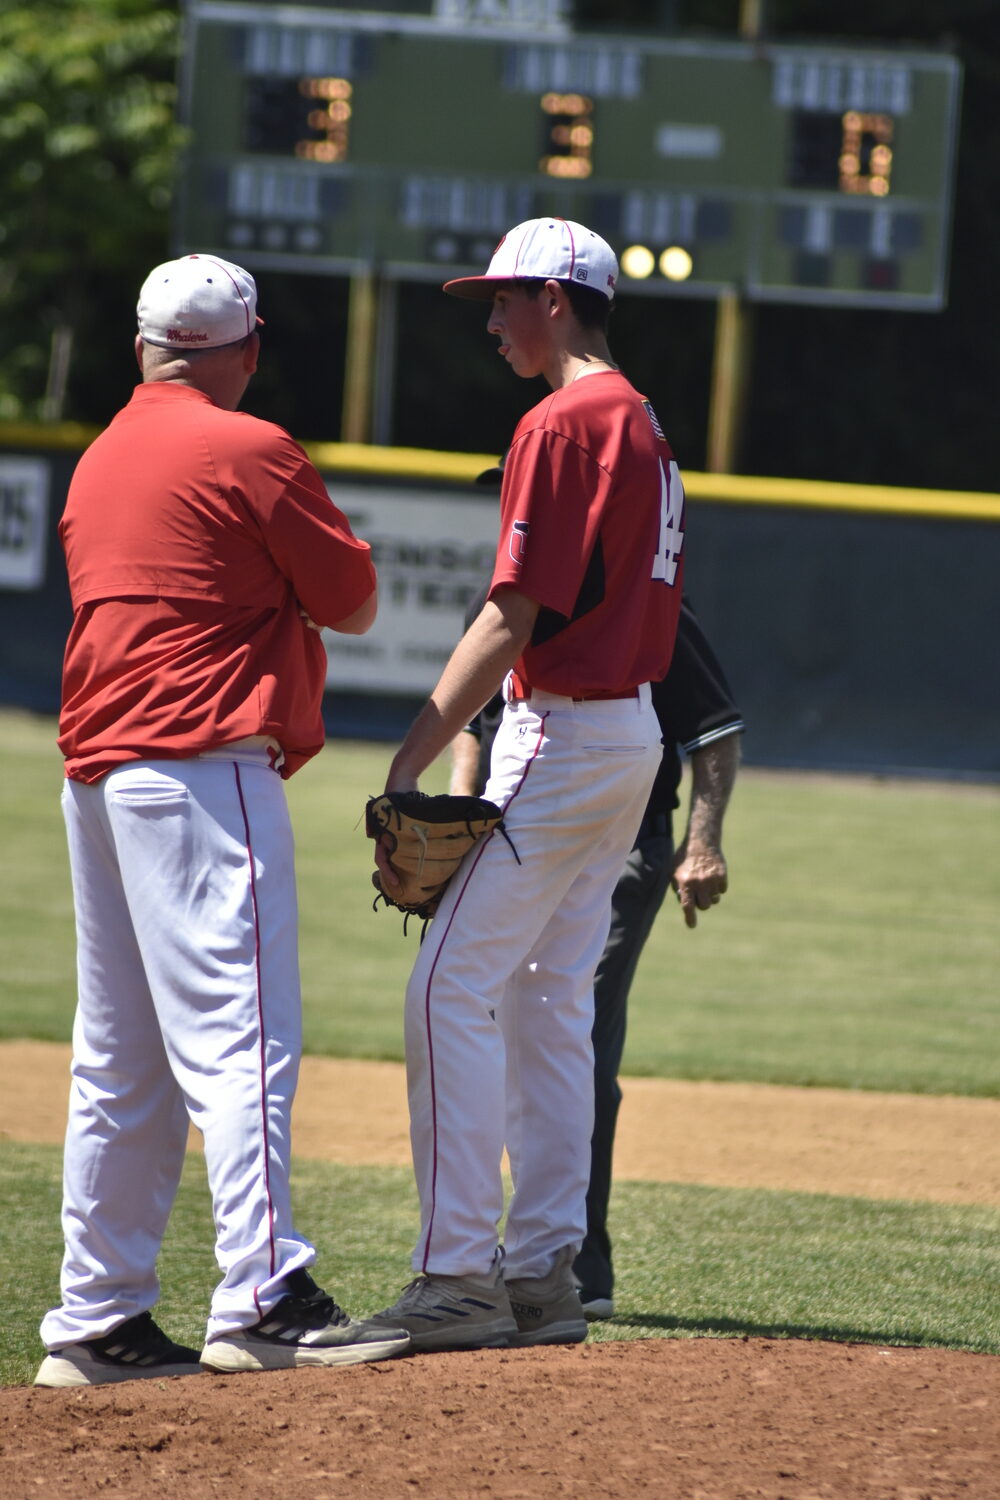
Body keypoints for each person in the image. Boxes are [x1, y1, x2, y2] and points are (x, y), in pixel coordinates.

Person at [36, 254, 410, 1387]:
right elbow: (352, 602)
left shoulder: (99, 457)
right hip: (203, 764)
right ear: (243, 349)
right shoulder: (251, 447)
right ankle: (262, 1294)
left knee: (121, 1059)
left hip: (99, 773)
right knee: (243, 1040)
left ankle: (98, 1318)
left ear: (141, 349)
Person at [365, 217, 686, 1353]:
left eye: (504, 298)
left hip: (561, 733)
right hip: (632, 741)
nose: (492, 318)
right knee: (549, 1000)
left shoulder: (559, 419)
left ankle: (456, 1275)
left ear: (558, 297)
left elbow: (511, 616)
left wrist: (411, 753)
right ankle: (545, 1270)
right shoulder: (641, 419)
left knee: (447, 990)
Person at [451, 572, 743, 1319]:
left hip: (622, 849)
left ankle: (571, 1261)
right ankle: (521, 1257)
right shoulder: (504, 595)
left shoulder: (644, 603)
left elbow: (715, 725)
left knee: (566, 1027)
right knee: (499, 1029)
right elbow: (476, 715)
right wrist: (459, 801)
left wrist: (700, 844)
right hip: (514, 838)